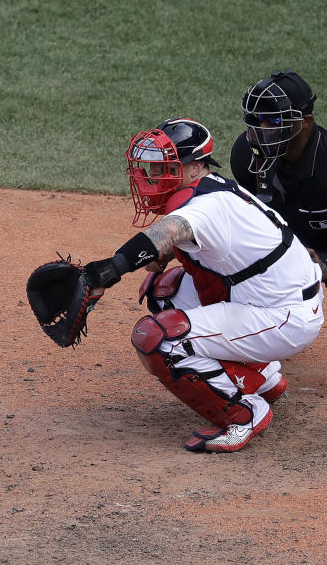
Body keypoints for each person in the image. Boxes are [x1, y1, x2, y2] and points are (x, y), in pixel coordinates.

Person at [84, 118, 323, 452]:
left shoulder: (208, 206)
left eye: (162, 169)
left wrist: (107, 272)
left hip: (285, 318)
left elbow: (168, 233)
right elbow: (162, 253)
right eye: (150, 170)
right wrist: (161, 256)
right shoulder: (208, 189)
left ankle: (245, 414)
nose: (151, 179)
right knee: (162, 291)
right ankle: (265, 377)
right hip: (270, 296)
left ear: (194, 166)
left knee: (160, 338)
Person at [230, 69, 327, 282]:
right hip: (277, 249)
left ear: (306, 122)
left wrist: (321, 266)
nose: (260, 128)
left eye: (273, 121)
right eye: (257, 118)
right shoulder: (245, 155)